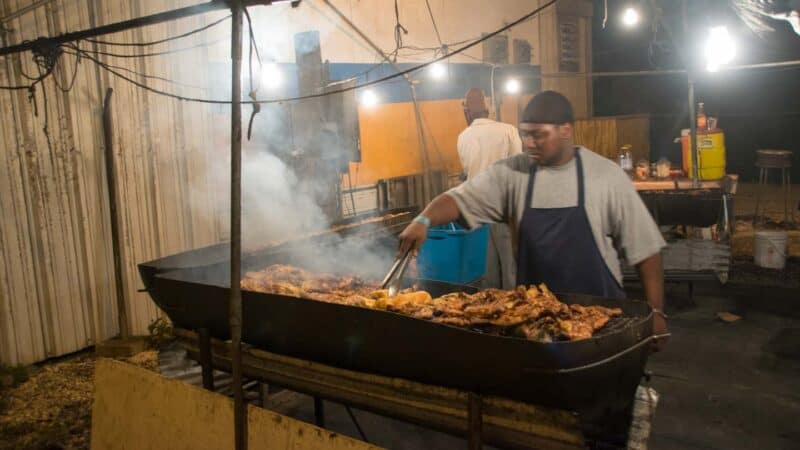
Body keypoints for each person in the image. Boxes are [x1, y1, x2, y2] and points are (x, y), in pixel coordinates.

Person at [400, 91, 669, 350]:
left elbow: (646, 249)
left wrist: (656, 312)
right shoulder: (511, 174)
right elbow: (457, 199)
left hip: (602, 324)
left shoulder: (605, 176)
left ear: (566, 130)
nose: (529, 143)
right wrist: (424, 220)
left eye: (538, 135)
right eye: (525, 134)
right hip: (534, 324)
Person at [457, 88, 522, 289]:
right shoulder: (508, 130)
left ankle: (491, 310)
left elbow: (468, 170)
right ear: (488, 109)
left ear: (467, 112)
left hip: (477, 211)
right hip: (504, 209)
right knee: (510, 267)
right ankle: (515, 311)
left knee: (489, 271)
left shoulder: (463, 137)